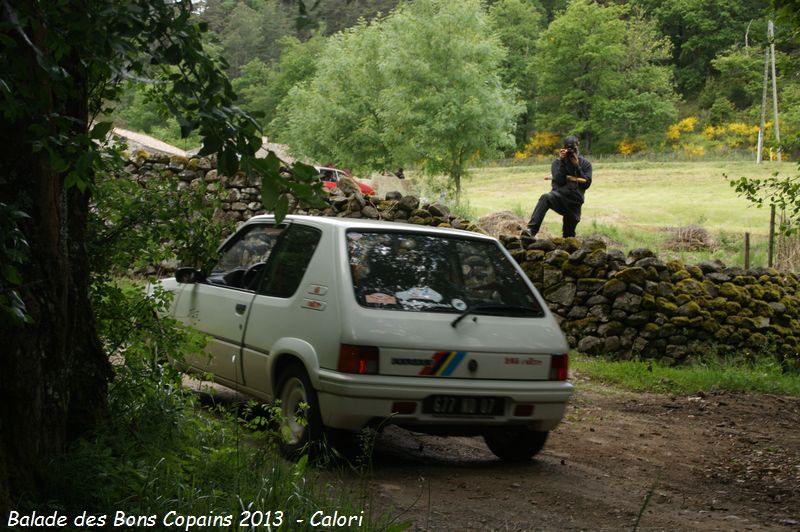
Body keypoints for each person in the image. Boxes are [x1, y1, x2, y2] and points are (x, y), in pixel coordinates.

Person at [527, 135, 592, 238]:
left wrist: (577, 166)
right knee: (545, 197)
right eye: (568, 148)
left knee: (568, 236)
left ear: (578, 146)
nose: (572, 151)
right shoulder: (557, 162)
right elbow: (558, 181)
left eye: (574, 148)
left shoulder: (585, 164)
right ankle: (530, 231)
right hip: (559, 198)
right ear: (564, 148)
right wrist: (563, 162)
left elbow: (587, 184)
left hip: (574, 203)